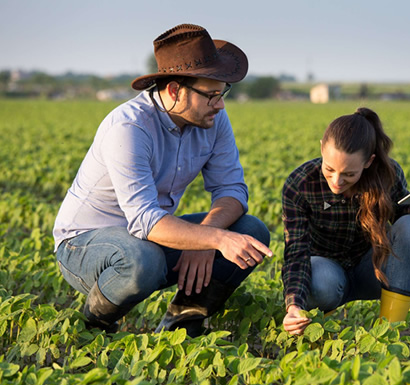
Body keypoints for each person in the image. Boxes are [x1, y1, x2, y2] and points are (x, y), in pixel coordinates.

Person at [53, 24, 273, 337]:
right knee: (143, 259)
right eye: (211, 95)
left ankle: (181, 327)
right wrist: (214, 239)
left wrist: (207, 235)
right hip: (83, 245)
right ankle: (93, 327)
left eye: (222, 92)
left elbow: (232, 191)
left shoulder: (213, 118)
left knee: (251, 231)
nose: (220, 104)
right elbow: (145, 221)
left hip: (147, 237)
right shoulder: (129, 128)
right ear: (174, 91)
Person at [281, 107, 410, 335]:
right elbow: (296, 251)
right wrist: (294, 306)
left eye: (349, 174)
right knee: (320, 278)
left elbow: (404, 226)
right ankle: (319, 332)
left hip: (371, 269)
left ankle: (389, 333)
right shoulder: (300, 184)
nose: (337, 181)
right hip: (327, 273)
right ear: (322, 148)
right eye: (329, 169)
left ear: (369, 162)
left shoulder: (386, 174)